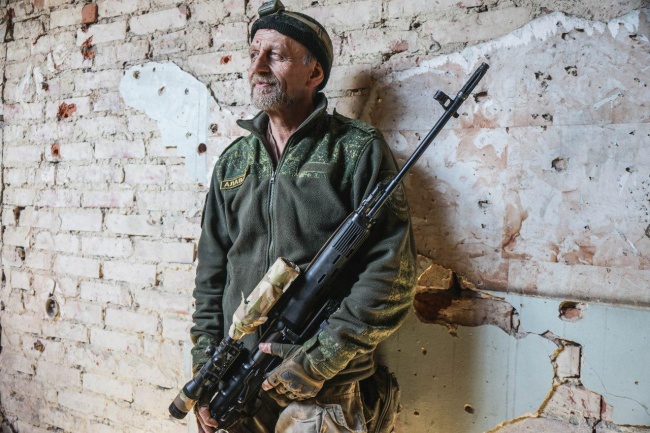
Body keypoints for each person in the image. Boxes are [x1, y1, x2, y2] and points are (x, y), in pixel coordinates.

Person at [190, 1, 416, 431]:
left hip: (321, 390)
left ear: (314, 74)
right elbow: (211, 275)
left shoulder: (355, 150)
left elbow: (392, 276)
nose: (257, 67)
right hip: (235, 382)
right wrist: (206, 368)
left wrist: (319, 359)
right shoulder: (234, 161)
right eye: (253, 53)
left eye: (275, 54)